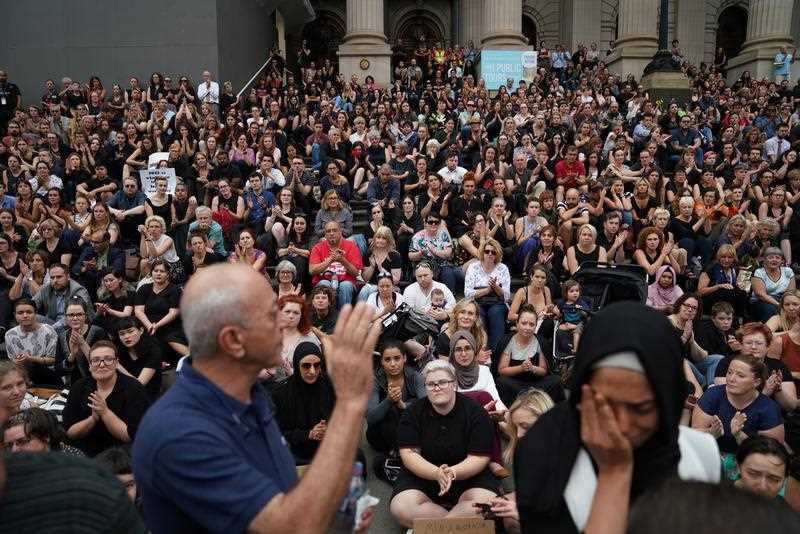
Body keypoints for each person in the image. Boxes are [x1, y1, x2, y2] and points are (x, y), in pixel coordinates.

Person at [132, 264, 381, 533]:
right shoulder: (180, 433)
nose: (284, 321)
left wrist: (332, 515)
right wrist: (350, 401)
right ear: (234, 341)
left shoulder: (250, 396)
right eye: (270, 314)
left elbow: (277, 495)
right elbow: (293, 527)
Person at [515, 302, 720, 534]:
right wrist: (615, 472)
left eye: (641, 409)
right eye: (606, 405)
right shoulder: (544, 450)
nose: (621, 425)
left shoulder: (700, 456)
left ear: (668, 402)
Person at [389, 360, 498, 527]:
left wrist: (452, 472)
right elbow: (409, 454)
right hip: (424, 474)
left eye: (442, 382)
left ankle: (432, 529)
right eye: (431, 384)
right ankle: (459, 527)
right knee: (400, 508)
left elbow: (479, 457)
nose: (437, 387)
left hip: (468, 475)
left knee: (487, 505)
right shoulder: (412, 412)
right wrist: (436, 473)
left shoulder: (476, 412)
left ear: (454, 384)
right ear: (425, 387)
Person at [62, 340, 150, 457]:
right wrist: (92, 419)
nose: (102, 364)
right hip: (83, 452)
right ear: (90, 365)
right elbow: (70, 433)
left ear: (116, 363)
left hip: (121, 453)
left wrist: (105, 412)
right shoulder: (79, 386)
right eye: (96, 360)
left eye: (108, 359)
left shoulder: (134, 388)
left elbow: (130, 436)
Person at [693, 353, 784, 456]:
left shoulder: (768, 408)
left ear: (756, 382)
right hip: (712, 455)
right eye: (729, 372)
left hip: (748, 462)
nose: (731, 379)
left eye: (740, 376)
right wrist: (711, 433)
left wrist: (739, 435)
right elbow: (694, 434)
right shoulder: (713, 395)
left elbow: (771, 455)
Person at [272, 342, 336, 464]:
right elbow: (280, 433)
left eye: (317, 365)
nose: (312, 371)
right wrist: (309, 434)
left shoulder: (327, 384)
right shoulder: (282, 394)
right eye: (306, 366)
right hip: (298, 450)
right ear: (297, 365)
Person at [366, 340, 427, 457]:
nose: (393, 364)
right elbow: (370, 418)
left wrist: (403, 405)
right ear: (382, 362)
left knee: (414, 406)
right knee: (390, 412)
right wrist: (389, 400)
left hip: (411, 430)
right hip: (382, 437)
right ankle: (398, 453)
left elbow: (426, 407)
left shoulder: (415, 377)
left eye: (397, 358)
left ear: (404, 358)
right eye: (387, 360)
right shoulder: (375, 381)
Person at [497, 305, 563, 406]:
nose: (527, 327)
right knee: (501, 382)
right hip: (515, 383)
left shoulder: (541, 342)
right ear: (517, 324)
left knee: (556, 381)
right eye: (524, 323)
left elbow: (543, 371)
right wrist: (521, 368)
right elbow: (502, 370)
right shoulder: (507, 341)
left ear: (536, 326)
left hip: (536, 383)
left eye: (531, 324)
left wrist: (532, 368)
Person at [464, 238, 511, 351]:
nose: (490, 254)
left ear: (497, 254)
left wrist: (496, 287)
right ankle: (479, 350)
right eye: (487, 251)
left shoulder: (502, 268)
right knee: (478, 315)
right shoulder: (473, 267)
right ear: (482, 252)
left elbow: (507, 296)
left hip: (497, 301)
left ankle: (496, 352)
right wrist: (487, 290)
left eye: (493, 252)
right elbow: (467, 294)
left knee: (496, 313)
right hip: (478, 301)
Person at [309, 221, 363, 309]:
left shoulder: (351, 246)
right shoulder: (317, 247)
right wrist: (330, 260)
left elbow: (356, 273)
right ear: (325, 235)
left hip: (346, 282)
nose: (331, 233)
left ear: (340, 232)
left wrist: (342, 260)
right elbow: (312, 270)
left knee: (345, 286)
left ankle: (343, 318)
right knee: (324, 283)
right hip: (325, 280)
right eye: (328, 231)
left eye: (334, 230)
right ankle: (328, 318)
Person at [4, 298, 59, 386]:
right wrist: (18, 362)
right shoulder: (10, 334)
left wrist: (30, 359)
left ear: (35, 313)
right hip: (21, 374)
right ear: (15, 315)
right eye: (20, 313)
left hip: (46, 374)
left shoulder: (48, 331)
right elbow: (12, 362)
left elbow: (53, 360)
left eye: (29, 312)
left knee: (31, 367)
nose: (25, 315)